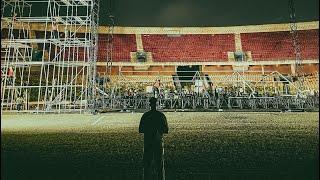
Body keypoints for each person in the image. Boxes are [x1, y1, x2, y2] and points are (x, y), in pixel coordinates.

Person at [139, 97, 168, 180]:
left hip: (148, 142)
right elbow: (166, 130)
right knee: (159, 165)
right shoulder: (161, 116)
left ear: (150, 104)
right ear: (156, 104)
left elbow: (141, 129)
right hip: (158, 142)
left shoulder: (146, 116)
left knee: (147, 164)